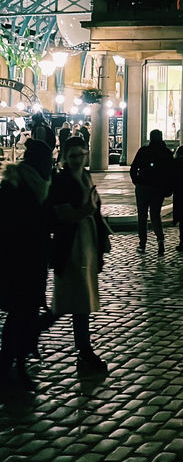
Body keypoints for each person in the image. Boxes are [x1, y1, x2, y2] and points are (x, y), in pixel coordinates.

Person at [48, 136, 110, 374]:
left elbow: (96, 211)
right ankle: (85, 350)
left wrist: (101, 243)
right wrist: (87, 210)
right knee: (74, 301)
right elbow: (63, 215)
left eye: (80, 155)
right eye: (72, 156)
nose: (76, 160)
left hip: (87, 243)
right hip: (70, 246)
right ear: (65, 156)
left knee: (76, 300)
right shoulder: (62, 180)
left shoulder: (86, 177)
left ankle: (84, 349)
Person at [0, 139, 53, 391]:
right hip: (19, 265)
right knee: (20, 316)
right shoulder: (19, 188)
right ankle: (12, 365)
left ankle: (15, 363)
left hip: (31, 263)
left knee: (23, 315)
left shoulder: (32, 186)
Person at [129, 129, 174, 255]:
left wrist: (136, 181)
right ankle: (160, 240)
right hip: (158, 188)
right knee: (155, 215)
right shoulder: (166, 152)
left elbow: (134, 167)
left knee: (142, 216)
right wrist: (168, 187)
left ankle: (142, 243)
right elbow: (171, 173)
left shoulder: (143, 151)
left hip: (143, 186)